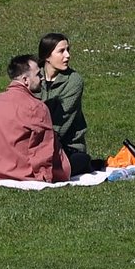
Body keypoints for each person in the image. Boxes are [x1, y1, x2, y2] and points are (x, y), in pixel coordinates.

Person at [0, 55, 71, 181]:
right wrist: (46, 177)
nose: (42, 78)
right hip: (23, 172)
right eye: (38, 75)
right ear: (26, 80)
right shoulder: (37, 107)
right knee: (81, 159)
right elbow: (43, 150)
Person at [36, 32, 96, 175]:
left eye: (68, 50)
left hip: (65, 146)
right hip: (32, 143)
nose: (67, 55)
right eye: (61, 51)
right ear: (47, 56)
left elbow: (60, 123)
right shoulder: (33, 77)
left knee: (75, 163)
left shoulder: (74, 81)